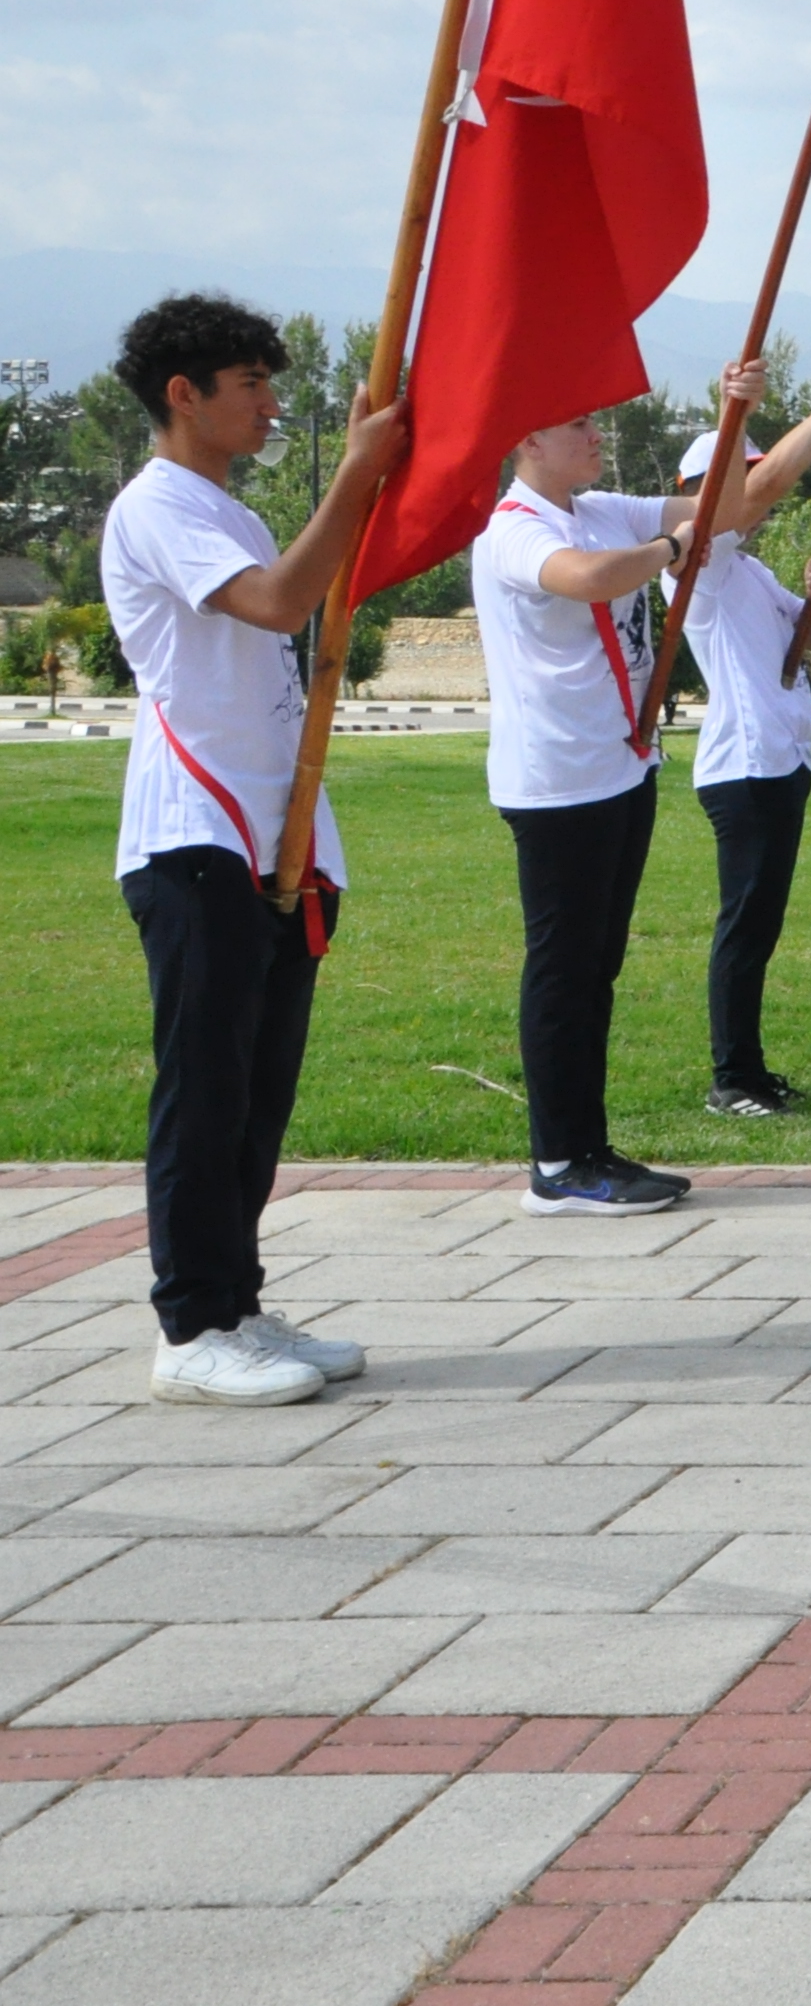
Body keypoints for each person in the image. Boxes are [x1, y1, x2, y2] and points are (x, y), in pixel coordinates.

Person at [102, 293, 403, 1404]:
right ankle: (189, 1329)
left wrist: (365, 484)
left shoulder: (225, 508)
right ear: (183, 395)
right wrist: (354, 476)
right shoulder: (157, 506)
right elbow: (279, 606)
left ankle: (236, 1303)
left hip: (272, 839)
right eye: (252, 385)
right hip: (196, 835)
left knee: (256, 1094)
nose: (273, 405)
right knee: (205, 1092)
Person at [475, 360, 811, 1214]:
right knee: (563, 970)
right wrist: (676, 548)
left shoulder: (598, 509)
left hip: (620, 768)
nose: (596, 433)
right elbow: (590, 578)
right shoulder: (513, 530)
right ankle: (558, 1163)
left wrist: (770, 412)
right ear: (528, 441)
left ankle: (588, 1147)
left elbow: (737, 504)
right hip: (557, 782)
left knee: (596, 970)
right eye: (578, 423)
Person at [676, 407, 811, 1118]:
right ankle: (730, 1077)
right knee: (744, 926)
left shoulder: (752, 571)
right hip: (744, 766)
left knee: (760, 928)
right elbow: (736, 509)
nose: (755, 497)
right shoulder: (698, 565)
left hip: (778, 762)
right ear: (698, 491)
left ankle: (751, 1069)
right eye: (737, 481)